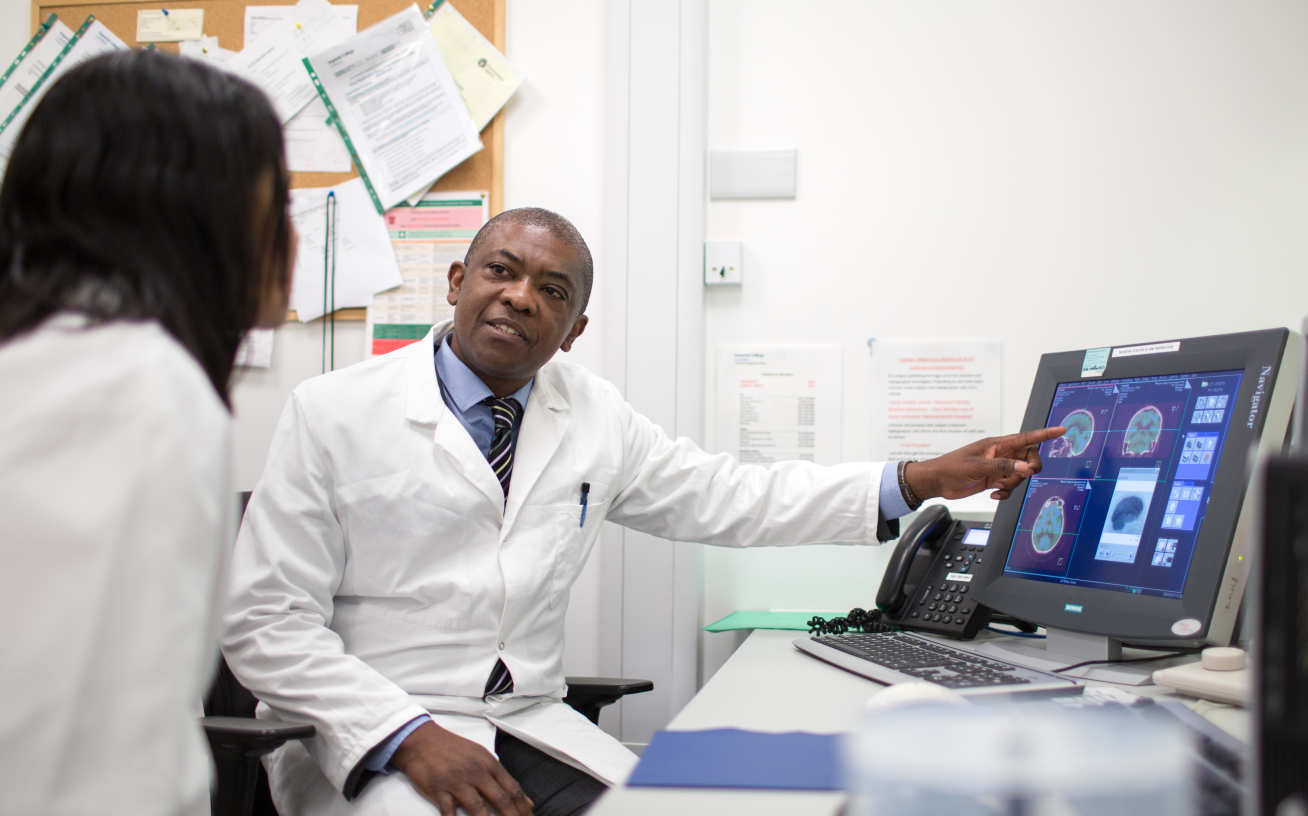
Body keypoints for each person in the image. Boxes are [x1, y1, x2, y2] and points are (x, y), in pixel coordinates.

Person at [223, 207, 1062, 816]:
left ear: (575, 327)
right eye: (501, 271)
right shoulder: (332, 410)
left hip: (522, 720)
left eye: (550, 290)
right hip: (366, 733)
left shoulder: (591, 412)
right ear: (457, 281)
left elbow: (729, 494)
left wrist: (915, 480)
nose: (520, 297)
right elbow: (266, 625)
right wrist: (404, 733)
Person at [0, 50, 294, 814]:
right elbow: (83, 755)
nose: (293, 238)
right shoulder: (132, 386)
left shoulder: (60, 358)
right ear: (199, 220)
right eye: (279, 201)